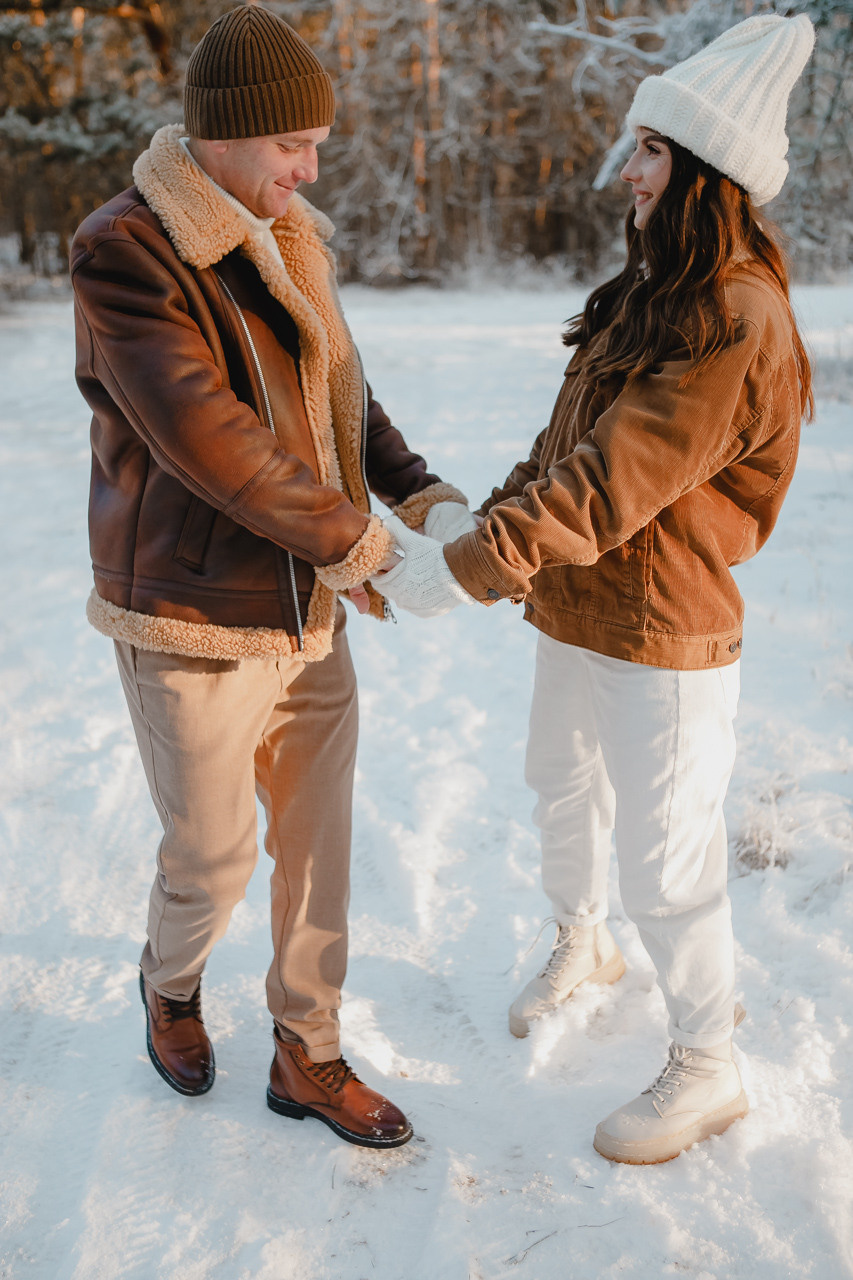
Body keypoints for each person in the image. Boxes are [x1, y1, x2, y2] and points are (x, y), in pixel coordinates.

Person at [372, 14, 815, 1164]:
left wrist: (462, 573)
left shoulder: (734, 316)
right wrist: (476, 521)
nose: (627, 169)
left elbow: (619, 480)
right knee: (558, 790)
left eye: (651, 152)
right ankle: (584, 940)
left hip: (664, 632)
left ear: (704, 173)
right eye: (635, 148)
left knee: (667, 859)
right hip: (576, 608)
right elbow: (567, 447)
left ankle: (709, 1063)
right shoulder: (648, 293)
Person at [71, 4, 472, 1150]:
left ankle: (309, 1048)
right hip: (194, 611)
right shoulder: (127, 249)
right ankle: (170, 983)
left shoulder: (292, 234)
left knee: (315, 844)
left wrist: (420, 493)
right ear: (227, 136)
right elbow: (209, 439)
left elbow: (340, 393)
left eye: (315, 149)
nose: (307, 169)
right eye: (293, 146)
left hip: (308, 604)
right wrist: (367, 547)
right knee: (209, 855)